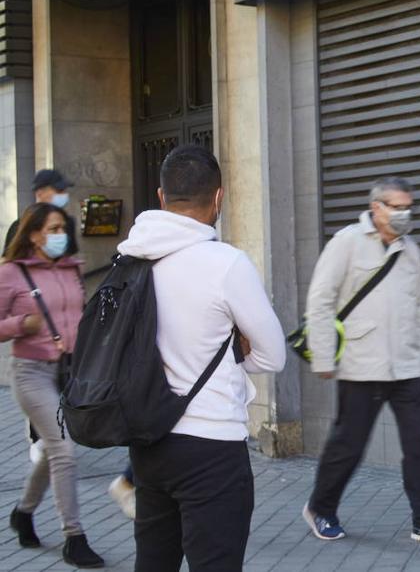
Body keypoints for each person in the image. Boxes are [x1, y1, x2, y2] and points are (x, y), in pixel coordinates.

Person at [117, 144, 286, 571]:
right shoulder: (226, 264)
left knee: (153, 562)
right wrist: (235, 356)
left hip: (149, 444)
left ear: (160, 197)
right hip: (212, 448)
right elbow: (274, 354)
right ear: (219, 198)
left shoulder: (130, 260)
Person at [301, 176, 420, 547]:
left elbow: (419, 307)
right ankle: (321, 509)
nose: (404, 213)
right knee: (347, 445)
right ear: (376, 207)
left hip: (404, 369)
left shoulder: (410, 250)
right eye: (396, 206)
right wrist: (323, 356)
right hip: (359, 365)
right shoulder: (347, 243)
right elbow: (320, 300)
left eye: (408, 206)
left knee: (418, 445)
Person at [0, 203, 104, 568]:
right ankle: (73, 537)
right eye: (53, 228)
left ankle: (23, 512)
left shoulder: (72, 269)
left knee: (51, 450)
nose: (60, 234)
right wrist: (18, 325)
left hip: (69, 372)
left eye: (63, 228)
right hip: (31, 373)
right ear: (33, 234)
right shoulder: (11, 274)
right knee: (64, 449)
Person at [4, 169, 80, 256]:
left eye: (64, 191)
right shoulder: (21, 225)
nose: (63, 194)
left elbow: (69, 256)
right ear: (40, 193)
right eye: (59, 190)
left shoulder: (68, 223)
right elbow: (8, 258)